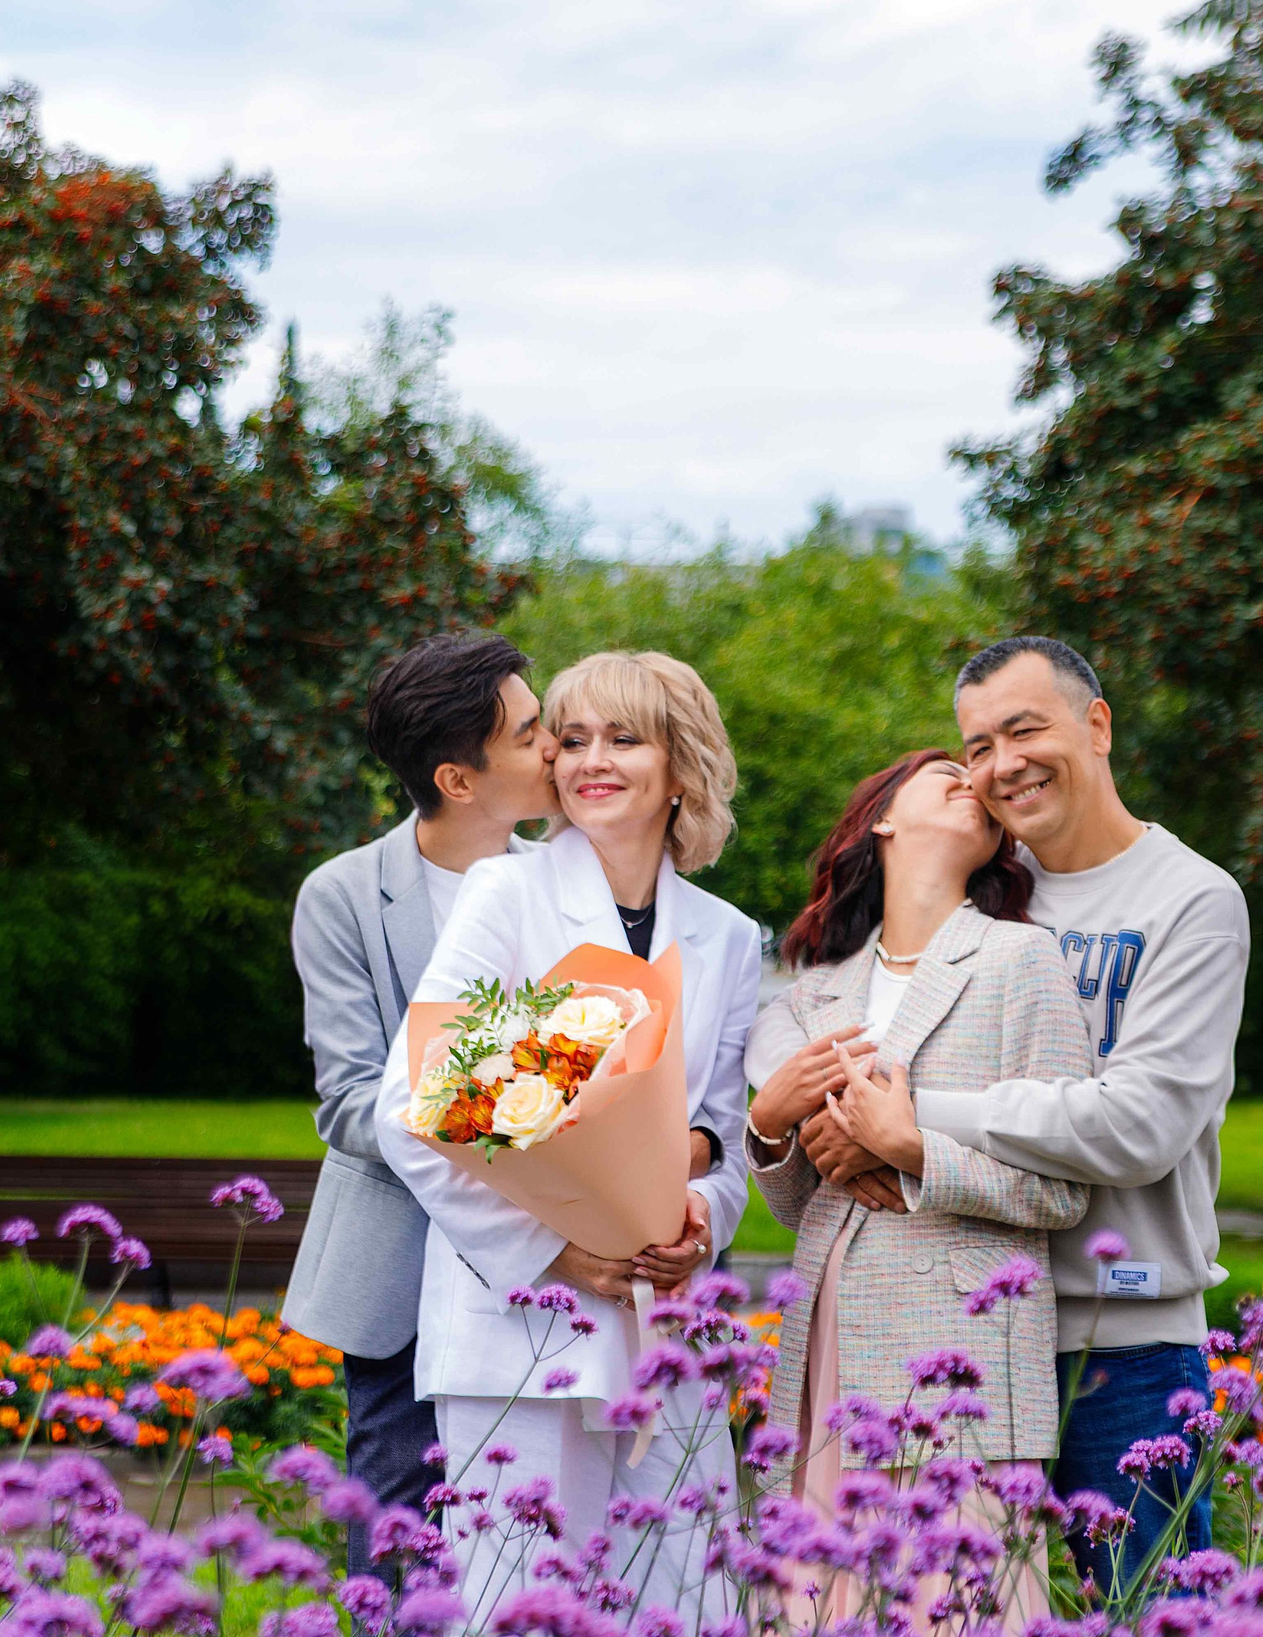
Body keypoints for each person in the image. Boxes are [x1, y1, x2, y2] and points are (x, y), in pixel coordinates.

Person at [805, 636, 1248, 1583]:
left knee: (1147, 1602)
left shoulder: (1192, 901)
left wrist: (917, 1124)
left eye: (1023, 729)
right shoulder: (988, 892)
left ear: (1097, 726)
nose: (1002, 764)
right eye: (976, 746)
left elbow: (1139, 1125)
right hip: (964, 1331)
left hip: (1116, 1339)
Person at [373, 650, 760, 1624]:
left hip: (664, 1331)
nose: (587, 759)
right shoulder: (503, 893)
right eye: (571, 736)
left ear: (682, 765)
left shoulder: (729, 936)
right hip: (521, 1337)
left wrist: (700, 1227)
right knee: (519, 1612)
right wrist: (554, 1248)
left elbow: (720, 1133)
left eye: (623, 739)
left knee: (683, 1608)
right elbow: (416, 1110)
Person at [745, 749, 1093, 1626]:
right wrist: (767, 1128)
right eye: (947, 771)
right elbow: (805, 1209)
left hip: (964, 1362)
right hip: (830, 1348)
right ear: (882, 819)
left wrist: (910, 1150)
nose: (972, 780)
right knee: (819, 1605)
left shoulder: (1024, 960)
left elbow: (1062, 1192)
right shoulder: (810, 994)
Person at [281, 631, 561, 1568]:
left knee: (537, 1520)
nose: (555, 746)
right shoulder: (344, 896)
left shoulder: (570, 883)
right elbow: (350, 1106)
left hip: (550, 1256)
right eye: (529, 734)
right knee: (398, 1528)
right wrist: (500, 1120)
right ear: (459, 778)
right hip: (399, 1266)